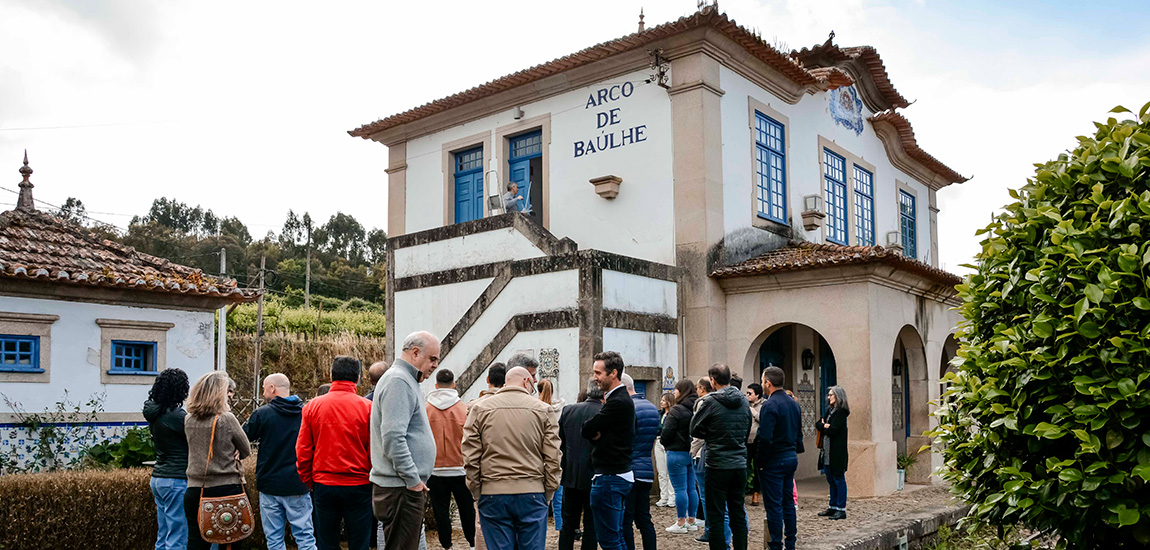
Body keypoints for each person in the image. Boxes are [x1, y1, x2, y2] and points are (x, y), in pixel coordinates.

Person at [462, 366, 561, 550]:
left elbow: (470, 455)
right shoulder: (543, 410)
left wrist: (476, 490)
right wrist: (549, 490)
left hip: (492, 491)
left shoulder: (480, 409)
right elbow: (553, 456)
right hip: (532, 490)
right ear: (525, 381)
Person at [372, 332, 440, 550]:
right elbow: (393, 437)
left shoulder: (405, 379)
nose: (435, 365)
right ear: (415, 352)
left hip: (402, 486)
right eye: (432, 359)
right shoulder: (398, 381)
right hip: (400, 488)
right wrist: (412, 480)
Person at [297, 356, 373, 550]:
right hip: (359, 483)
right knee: (359, 541)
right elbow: (374, 449)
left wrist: (309, 479)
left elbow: (303, 449)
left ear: (331, 376)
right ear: (357, 378)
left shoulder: (312, 406)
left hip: (324, 483)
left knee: (326, 540)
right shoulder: (367, 407)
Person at [244, 373, 315, 550]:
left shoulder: (263, 414)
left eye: (264, 388)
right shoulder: (306, 412)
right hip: (298, 483)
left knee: (274, 539)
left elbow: (242, 437)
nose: (262, 391)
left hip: (270, 484)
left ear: (272, 388)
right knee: (305, 536)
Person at [184, 371, 252, 550]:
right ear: (219, 393)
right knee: (231, 540)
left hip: (195, 489)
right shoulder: (226, 419)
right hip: (228, 487)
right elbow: (246, 448)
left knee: (196, 541)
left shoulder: (188, 419)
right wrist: (235, 450)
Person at [690, 364, 751, 550]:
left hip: (717, 464)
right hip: (739, 463)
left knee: (715, 516)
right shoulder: (743, 401)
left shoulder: (710, 402)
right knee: (737, 512)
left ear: (713, 381)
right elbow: (747, 428)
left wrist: (710, 433)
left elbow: (694, 428)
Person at [581, 351, 635, 550]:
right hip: (616, 475)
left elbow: (587, 428)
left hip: (610, 477)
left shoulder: (617, 402)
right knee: (616, 536)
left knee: (609, 540)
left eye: (598, 373)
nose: (595, 377)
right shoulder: (618, 399)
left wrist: (597, 434)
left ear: (613, 373)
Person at [425, 369, 475, 550]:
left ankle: (447, 545)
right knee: (467, 509)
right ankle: (471, 543)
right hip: (460, 467)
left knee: (440, 510)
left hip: (435, 468)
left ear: (436, 386)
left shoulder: (426, 409)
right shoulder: (464, 409)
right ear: (454, 384)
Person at [756, 367, 804, 550]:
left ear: (768, 383)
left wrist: (760, 461)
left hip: (774, 459)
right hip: (790, 456)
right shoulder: (793, 403)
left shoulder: (770, 405)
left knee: (774, 505)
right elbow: (798, 432)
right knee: (788, 502)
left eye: (762, 380)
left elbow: (765, 436)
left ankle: (776, 544)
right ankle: (790, 542)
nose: (762, 383)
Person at [144, 368, 190, 550]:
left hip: (159, 479)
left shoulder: (154, 412)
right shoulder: (177, 416)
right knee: (178, 535)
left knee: (163, 535)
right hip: (176, 480)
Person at [558, 381, 603, 550]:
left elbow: (561, 442)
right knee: (591, 523)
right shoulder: (603, 412)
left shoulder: (568, 410)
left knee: (568, 523)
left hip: (571, 474)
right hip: (594, 474)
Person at [621, 374, 658, 550]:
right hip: (646, 469)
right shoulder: (652, 407)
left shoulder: (628, 409)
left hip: (629, 469)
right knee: (644, 518)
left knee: (626, 519)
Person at [660, 380, 698, 534]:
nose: (674, 392)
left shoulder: (677, 410)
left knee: (680, 489)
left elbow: (667, 433)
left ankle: (681, 521)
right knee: (691, 488)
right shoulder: (696, 408)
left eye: (676, 389)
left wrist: (664, 442)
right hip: (691, 452)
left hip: (676, 452)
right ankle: (692, 520)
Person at [816, 385, 850, 520]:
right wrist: (825, 425)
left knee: (839, 479)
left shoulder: (841, 412)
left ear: (838, 396)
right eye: (829, 395)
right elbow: (818, 424)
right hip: (826, 452)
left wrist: (825, 426)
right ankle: (833, 506)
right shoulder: (830, 410)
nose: (829, 397)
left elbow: (834, 430)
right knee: (830, 479)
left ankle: (841, 509)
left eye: (831, 395)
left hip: (836, 452)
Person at [537, 379, 566, 534]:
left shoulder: (535, 409)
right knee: (558, 498)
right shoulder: (562, 409)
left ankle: (540, 529)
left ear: (538, 390)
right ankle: (560, 528)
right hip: (557, 455)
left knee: (540, 500)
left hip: (538, 458)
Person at [653, 392, 675, 508]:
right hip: (658, 441)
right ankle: (664, 496)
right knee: (661, 471)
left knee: (669, 472)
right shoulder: (659, 414)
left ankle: (672, 497)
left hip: (669, 443)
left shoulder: (673, 415)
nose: (661, 402)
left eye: (663, 400)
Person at [744, 384, 764, 507]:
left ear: (757, 395)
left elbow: (763, 419)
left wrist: (753, 411)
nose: (747, 395)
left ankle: (756, 493)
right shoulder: (744, 404)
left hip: (757, 440)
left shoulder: (764, 405)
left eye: (750, 393)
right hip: (746, 440)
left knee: (757, 468)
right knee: (744, 467)